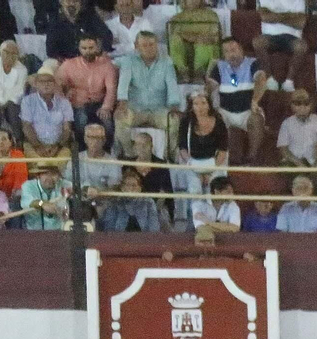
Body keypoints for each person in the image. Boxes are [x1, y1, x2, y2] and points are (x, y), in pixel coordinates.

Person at [114, 31, 180, 156]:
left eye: (152, 44)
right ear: (136, 46)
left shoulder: (166, 62)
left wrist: (174, 105)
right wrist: (122, 103)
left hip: (158, 109)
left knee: (174, 121)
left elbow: (172, 84)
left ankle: (169, 156)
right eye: (144, 45)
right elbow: (123, 83)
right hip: (136, 109)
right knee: (120, 119)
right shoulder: (129, 61)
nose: (149, 48)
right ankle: (129, 155)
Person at [206, 37, 267, 163]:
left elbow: (261, 80)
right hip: (225, 111)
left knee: (256, 119)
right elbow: (210, 87)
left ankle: (252, 158)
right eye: (227, 52)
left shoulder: (253, 63)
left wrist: (255, 100)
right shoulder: (219, 67)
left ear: (241, 50)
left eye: (233, 50)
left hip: (248, 110)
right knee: (214, 119)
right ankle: (222, 159)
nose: (231, 54)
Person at [174, 89, 226, 223]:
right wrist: (193, 167)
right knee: (195, 190)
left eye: (203, 103)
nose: (200, 107)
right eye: (196, 104)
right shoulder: (186, 122)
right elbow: (182, 147)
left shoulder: (219, 122)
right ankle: (195, 224)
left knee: (212, 191)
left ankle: (213, 224)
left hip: (214, 164)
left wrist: (210, 172)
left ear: (209, 104)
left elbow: (222, 151)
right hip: (193, 163)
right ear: (191, 107)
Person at [252, 0, 313, 92]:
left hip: (292, 37)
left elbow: (300, 22)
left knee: (302, 46)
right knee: (257, 42)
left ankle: (289, 82)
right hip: (269, 36)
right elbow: (265, 17)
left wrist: (274, 15)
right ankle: (269, 79)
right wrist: (290, 15)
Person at [20, 61, 74, 160]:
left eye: (49, 81)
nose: (46, 84)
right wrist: (38, 146)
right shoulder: (27, 101)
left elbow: (67, 129)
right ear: (36, 84)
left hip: (59, 146)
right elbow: (26, 127)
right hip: (34, 145)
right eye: (42, 81)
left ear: (55, 84)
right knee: (40, 163)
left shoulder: (64, 103)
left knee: (63, 160)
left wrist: (57, 147)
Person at [167, 0, 222, 86]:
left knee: (202, 42)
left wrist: (193, 38)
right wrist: (194, 37)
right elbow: (176, 34)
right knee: (175, 40)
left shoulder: (211, 15)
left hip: (208, 47)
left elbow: (214, 36)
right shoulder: (177, 18)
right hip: (187, 48)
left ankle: (199, 74)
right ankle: (182, 73)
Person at [276, 88, 317, 170]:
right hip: (293, 162)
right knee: (284, 167)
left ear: (311, 105)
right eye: (298, 103)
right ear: (292, 106)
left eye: (306, 103)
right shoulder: (287, 123)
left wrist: (315, 164)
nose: (302, 106)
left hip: (312, 162)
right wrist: (298, 163)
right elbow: (283, 149)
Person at [96, 166, 163, 230]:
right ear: (122, 188)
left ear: (140, 188)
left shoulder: (148, 202)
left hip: (143, 239)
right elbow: (109, 227)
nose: (130, 188)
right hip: (120, 239)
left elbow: (154, 227)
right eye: (127, 185)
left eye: (134, 185)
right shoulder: (114, 202)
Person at [45, 0, 112, 62]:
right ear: (61, 2)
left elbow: (107, 35)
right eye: (68, 1)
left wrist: (101, 52)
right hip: (65, 62)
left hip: (90, 59)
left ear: (81, 3)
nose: (71, 4)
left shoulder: (90, 17)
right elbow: (51, 51)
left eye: (75, 1)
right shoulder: (55, 22)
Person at [0, 125, 26, 200]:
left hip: (12, 197)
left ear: (10, 142)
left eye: (4, 139)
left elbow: (20, 179)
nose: (0, 142)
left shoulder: (18, 155)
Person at [19, 162, 68, 228]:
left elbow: (78, 188)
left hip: (58, 232)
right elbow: (28, 202)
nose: (49, 178)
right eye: (45, 174)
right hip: (33, 234)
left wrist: (85, 190)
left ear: (58, 176)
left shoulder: (62, 184)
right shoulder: (28, 185)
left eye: (53, 174)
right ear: (38, 176)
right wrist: (43, 204)